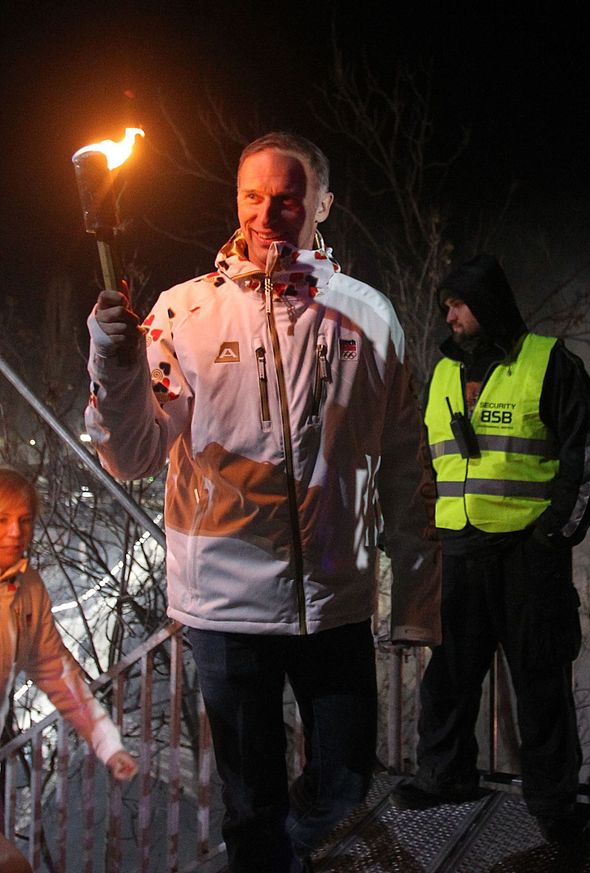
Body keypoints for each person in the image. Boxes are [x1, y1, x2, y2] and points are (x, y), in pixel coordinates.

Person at [84, 132, 441, 872]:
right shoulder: (183, 314)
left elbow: (409, 463)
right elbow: (134, 453)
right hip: (224, 606)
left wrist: (416, 595)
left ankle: (298, 846)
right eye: (253, 195)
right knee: (251, 808)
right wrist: (112, 363)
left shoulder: (369, 318)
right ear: (235, 201)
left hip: (334, 596)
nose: (268, 212)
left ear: (321, 204)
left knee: (344, 779)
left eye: (287, 196)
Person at [390, 253, 590, 844]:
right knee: (450, 677)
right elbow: (425, 461)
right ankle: (444, 777)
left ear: (487, 306)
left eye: (458, 304)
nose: (450, 316)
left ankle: (554, 803)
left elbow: (583, 454)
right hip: (458, 551)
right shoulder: (441, 373)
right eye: (446, 307)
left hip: (525, 555)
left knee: (539, 680)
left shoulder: (547, 362)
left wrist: (552, 536)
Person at [0, 468, 138, 873]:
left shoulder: (27, 590)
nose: (15, 532)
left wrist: (106, 742)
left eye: (24, 520)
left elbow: (56, 672)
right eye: (2, 519)